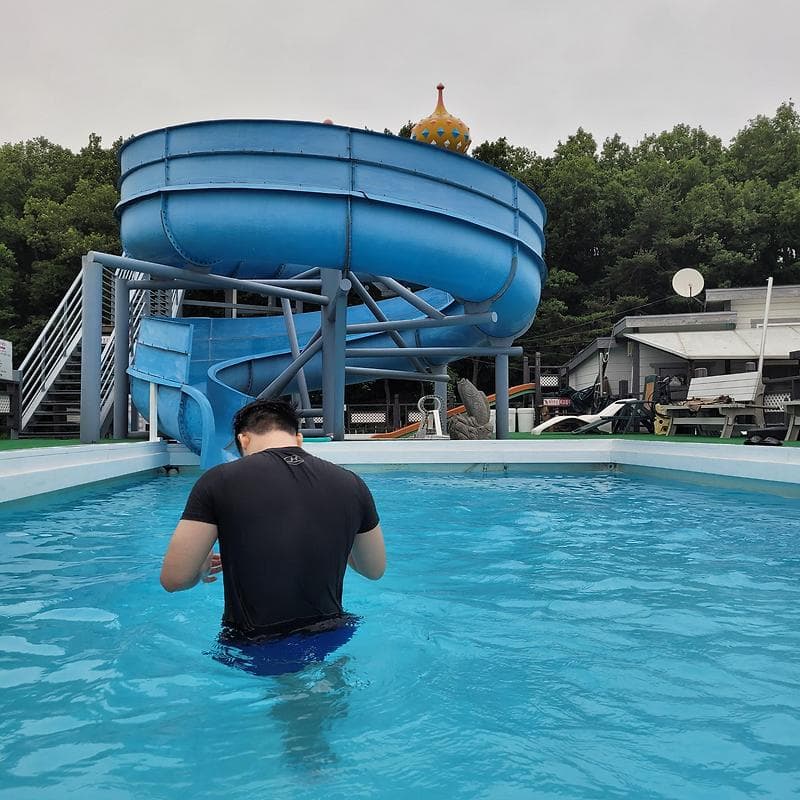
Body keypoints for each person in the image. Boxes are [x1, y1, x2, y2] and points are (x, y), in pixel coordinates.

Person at [160, 399, 385, 667]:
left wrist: (202, 563)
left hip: (256, 640)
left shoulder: (218, 481)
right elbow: (374, 569)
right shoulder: (351, 483)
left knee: (289, 690)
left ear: (244, 440)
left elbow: (174, 580)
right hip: (333, 631)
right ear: (299, 439)